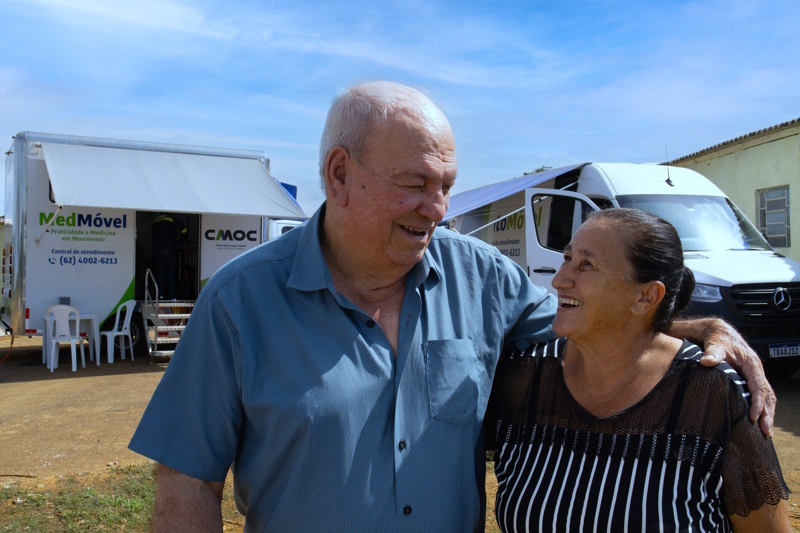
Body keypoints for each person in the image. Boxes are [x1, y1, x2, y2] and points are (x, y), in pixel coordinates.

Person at [129, 82, 775, 532]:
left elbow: (592, 318)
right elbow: (187, 481)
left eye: (446, 187)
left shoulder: (484, 279)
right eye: (414, 186)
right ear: (338, 174)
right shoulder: (238, 303)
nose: (437, 211)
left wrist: (698, 325)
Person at [487, 208, 789, 532]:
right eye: (567, 257)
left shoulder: (709, 393)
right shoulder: (525, 382)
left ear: (646, 296)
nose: (559, 279)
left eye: (586, 264)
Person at [150, 212, 187, 299]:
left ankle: (160, 296)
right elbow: (184, 230)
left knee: (161, 273)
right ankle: (173, 296)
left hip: (156, 250)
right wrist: (181, 242)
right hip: (168, 249)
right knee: (171, 272)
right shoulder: (170, 218)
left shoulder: (154, 221)